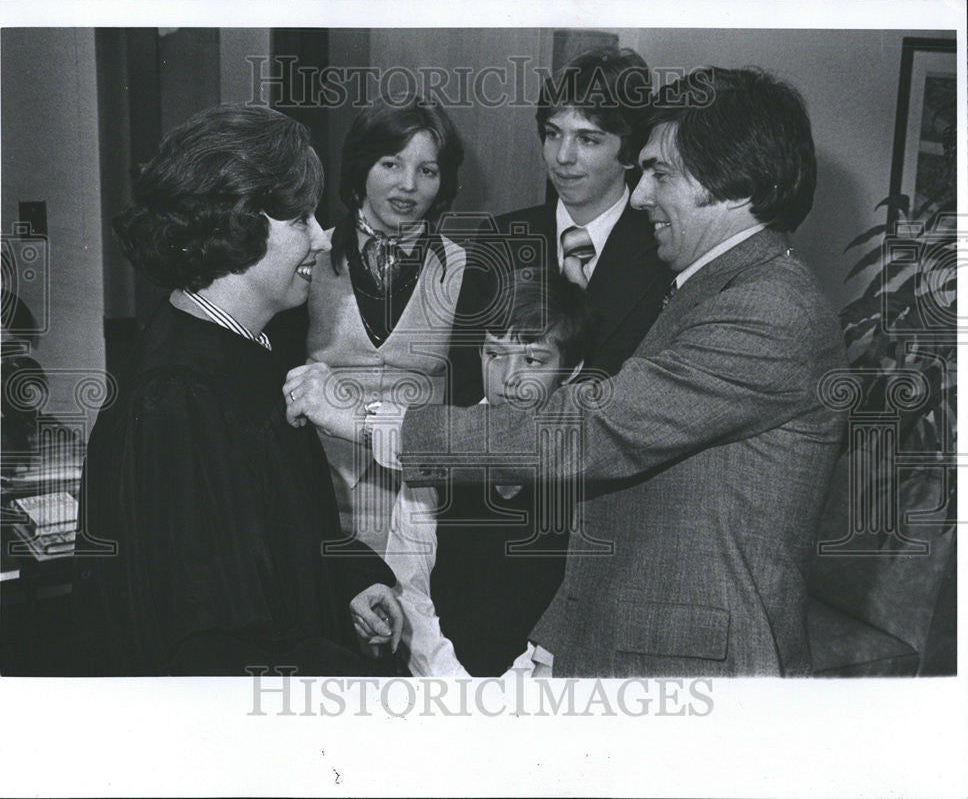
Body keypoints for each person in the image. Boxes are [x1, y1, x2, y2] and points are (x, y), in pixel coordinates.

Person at [397, 67, 848, 677]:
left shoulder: (766, 308)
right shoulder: (714, 288)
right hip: (626, 631)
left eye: (661, 173)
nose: (638, 195)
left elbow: (591, 430)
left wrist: (383, 425)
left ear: (735, 186)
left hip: (693, 666)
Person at [72, 104, 401, 676]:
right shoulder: (177, 400)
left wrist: (349, 579)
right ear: (239, 222)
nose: (323, 240)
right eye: (301, 220)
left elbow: (274, 531)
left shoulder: (245, 347)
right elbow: (219, 648)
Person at [285, 272, 594, 676]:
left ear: (570, 371)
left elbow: (578, 602)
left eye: (533, 359)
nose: (508, 377)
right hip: (442, 688)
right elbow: (409, 588)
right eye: (494, 353)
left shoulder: (587, 466)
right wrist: (454, 686)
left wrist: (520, 689)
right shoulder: (435, 448)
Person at [449, 47, 671, 406]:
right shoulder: (500, 238)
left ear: (630, 151)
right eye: (553, 134)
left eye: (588, 139)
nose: (563, 157)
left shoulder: (663, 247)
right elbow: (463, 379)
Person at [300, 96, 467, 555]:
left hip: (417, 498)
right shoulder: (310, 255)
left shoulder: (466, 268)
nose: (408, 186)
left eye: (427, 171)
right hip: (322, 485)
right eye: (390, 163)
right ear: (361, 166)